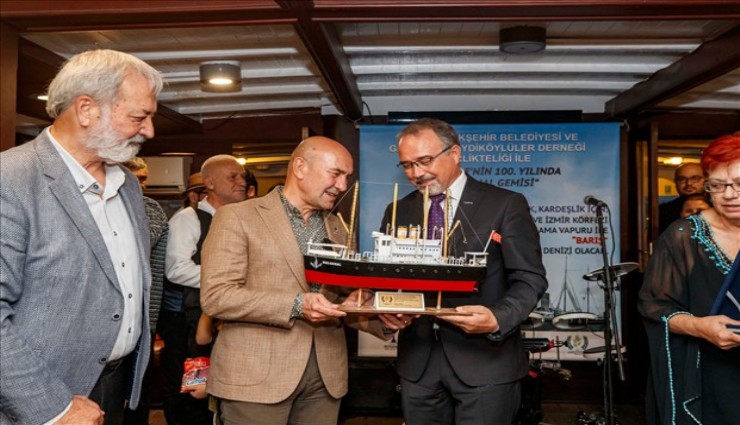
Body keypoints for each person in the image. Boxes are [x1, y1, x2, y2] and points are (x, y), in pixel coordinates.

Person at [0, 49, 162, 424]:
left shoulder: (127, 186)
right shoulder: (11, 181)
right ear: (86, 109)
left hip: (115, 387)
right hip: (41, 401)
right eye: (139, 117)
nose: (149, 131)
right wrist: (54, 406)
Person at [200, 136, 390, 425]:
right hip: (257, 378)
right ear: (300, 167)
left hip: (325, 378)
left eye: (347, 177)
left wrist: (378, 315)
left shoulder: (339, 227)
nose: (342, 185)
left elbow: (339, 300)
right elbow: (217, 296)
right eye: (336, 174)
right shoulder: (237, 217)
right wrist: (297, 305)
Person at [378, 118, 548, 425]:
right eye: (407, 165)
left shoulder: (505, 204)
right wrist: (387, 308)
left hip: (486, 362)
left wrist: (498, 318)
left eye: (425, 161)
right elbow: (389, 277)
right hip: (418, 365)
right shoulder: (397, 210)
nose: (416, 173)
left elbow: (529, 278)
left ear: (454, 153)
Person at [638, 131, 740, 425]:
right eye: (717, 185)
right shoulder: (684, 236)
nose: (729, 194)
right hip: (709, 374)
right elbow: (654, 306)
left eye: (739, 184)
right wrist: (699, 326)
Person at [158, 154, 248, 425]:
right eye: (233, 177)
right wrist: (226, 280)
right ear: (209, 183)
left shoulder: (242, 218)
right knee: (192, 391)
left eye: (242, 177)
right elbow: (176, 269)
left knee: (220, 388)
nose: (242, 182)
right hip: (189, 323)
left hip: (226, 320)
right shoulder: (188, 219)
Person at [121, 157, 170, 425]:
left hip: (144, 314)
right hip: (108, 314)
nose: (143, 184)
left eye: (144, 179)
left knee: (137, 391)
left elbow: (141, 244)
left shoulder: (150, 208)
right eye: (137, 178)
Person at [658, 162, 706, 233]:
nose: (689, 183)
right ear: (675, 182)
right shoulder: (663, 212)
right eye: (682, 179)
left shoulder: (718, 209)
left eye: (695, 178)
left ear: (706, 180)